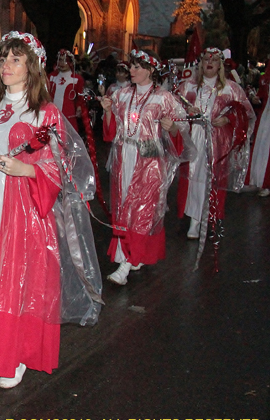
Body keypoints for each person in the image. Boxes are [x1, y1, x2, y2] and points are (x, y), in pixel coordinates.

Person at [0, 31, 101, 389]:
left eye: (15, 59)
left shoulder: (45, 114)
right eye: (3, 58)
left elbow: (66, 167)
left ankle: (14, 352)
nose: (6, 65)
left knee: (16, 283)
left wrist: (28, 170)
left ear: (32, 66)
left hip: (25, 212)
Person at [100, 49, 192, 285]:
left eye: (137, 67)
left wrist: (172, 128)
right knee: (124, 206)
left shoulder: (164, 98)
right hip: (124, 155)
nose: (131, 70)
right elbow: (111, 132)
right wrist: (108, 110)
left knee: (142, 209)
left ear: (150, 70)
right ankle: (132, 255)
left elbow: (181, 132)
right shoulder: (121, 95)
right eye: (131, 66)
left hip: (150, 158)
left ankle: (126, 264)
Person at [177, 48, 255, 239]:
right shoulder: (188, 87)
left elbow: (246, 113)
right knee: (194, 179)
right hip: (194, 138)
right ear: (201, 63)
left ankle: (210, 218)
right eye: (206, 60)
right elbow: (174, 108)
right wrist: (187, 112)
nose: (209, 63)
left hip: (218, 142)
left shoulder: (231, 88)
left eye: (214, 60)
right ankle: (195, 220)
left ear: (220, 65)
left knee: (212, 180)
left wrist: (228, 119)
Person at [47, 49, 85, 131]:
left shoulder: (77, 79)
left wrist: (79, 108)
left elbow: (80, 98)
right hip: (52, 113)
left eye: (65, 61)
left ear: (71, 62)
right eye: (60, 60)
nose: (62, 63)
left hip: (69, 114)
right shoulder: (51, 76)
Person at [247, 60, 270, 196]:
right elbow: (261, 94)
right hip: (266, 116)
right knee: (263, 146)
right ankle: (261, 180)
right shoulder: (265, 77)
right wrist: (256, 98)